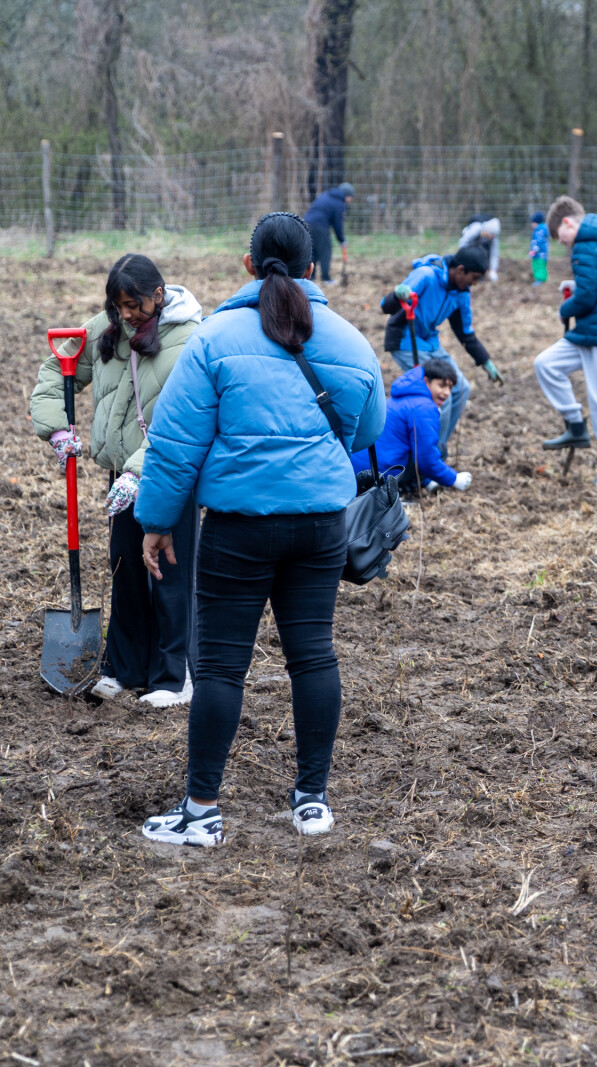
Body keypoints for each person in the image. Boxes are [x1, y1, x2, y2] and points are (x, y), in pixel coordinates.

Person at [135, 212, 385, 847]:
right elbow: (368, 430)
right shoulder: (351, 341)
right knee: (314, 655)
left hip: (237, 531)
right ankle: (312, 802)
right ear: (312, 268)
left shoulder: (214, 339)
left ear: (248, 265)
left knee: (221, 669)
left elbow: (175, 444)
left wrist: (157, 521)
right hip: (321, 527)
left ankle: (202, 812)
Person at [29, 254, 203, 708]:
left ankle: (175, 675)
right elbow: (56, 370)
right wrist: (56, 427)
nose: (126, 315)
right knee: (125, 565)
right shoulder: (108, 329)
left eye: (133, 305)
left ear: (158, 295)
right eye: (118, 305)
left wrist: (139, 471)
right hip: (123, 473)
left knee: (168, 571)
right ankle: (125, 668)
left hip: (170, 472)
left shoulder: (188, 340)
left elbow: (181, 422)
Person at [534, 195, 597, 486]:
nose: (561, 242)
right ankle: (575, 426)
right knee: (546, 364)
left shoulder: (584, 245)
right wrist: (574, 287)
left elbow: (588, 297)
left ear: (567, 223)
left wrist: (565, 308)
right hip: (590, 332)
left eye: (559, 236)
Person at [379, 244, 502, 450]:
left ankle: (438, 448)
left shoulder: (461, 293)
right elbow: (386, 306)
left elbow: (465, 332)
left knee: (461, 388)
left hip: (430, 342)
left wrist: (485, 361)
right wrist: (398, 294)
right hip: (406, 339)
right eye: (473, 278)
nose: (474, 283)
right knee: (441, 396)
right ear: (460, 270)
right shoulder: (426, 275)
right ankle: (429, 452)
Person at [351, 358, 473, 496]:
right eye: (442, 385)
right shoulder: (423, 407)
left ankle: (423, 481)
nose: (446, 392)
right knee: (439, 449)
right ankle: (402, 489)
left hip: (360, 470)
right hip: (379, 474)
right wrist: (454, 479)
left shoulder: (405, 396)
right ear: (426, 381)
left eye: (450, 387)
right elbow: (426, 459)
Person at [305, 182, 354, 284]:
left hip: (307, 224)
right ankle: (326, 278)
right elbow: (337, 225)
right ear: (347, 195)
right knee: (325, 252)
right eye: (350, 197)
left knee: (312, 251)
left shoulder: (326, 194)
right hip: (320, 226)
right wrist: (342, 240)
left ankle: (310, 277)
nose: (350, 200)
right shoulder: (339, 203)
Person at [458, 213, 502, 283]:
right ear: (486, 231)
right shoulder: (476, 228)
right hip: (469, 245)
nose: (491, 238)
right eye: (490, 235)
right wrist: (464, 257)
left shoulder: (493, 237)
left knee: (484, 254)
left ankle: (480, 275)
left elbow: (494, 253)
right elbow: (463, 242)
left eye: (493, 236)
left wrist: (493, 270)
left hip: (480, 247)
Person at [528, 211, 550, 287]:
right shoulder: (542, 229)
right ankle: (542, 279)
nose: (531, 224)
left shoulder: (539, 231)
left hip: (539, 254)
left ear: (536, 222)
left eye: (532, 222)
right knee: (542, 266)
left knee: (538, 266)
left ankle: (540, 280)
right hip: (543, 254)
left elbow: (538, 242)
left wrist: (533, 251)